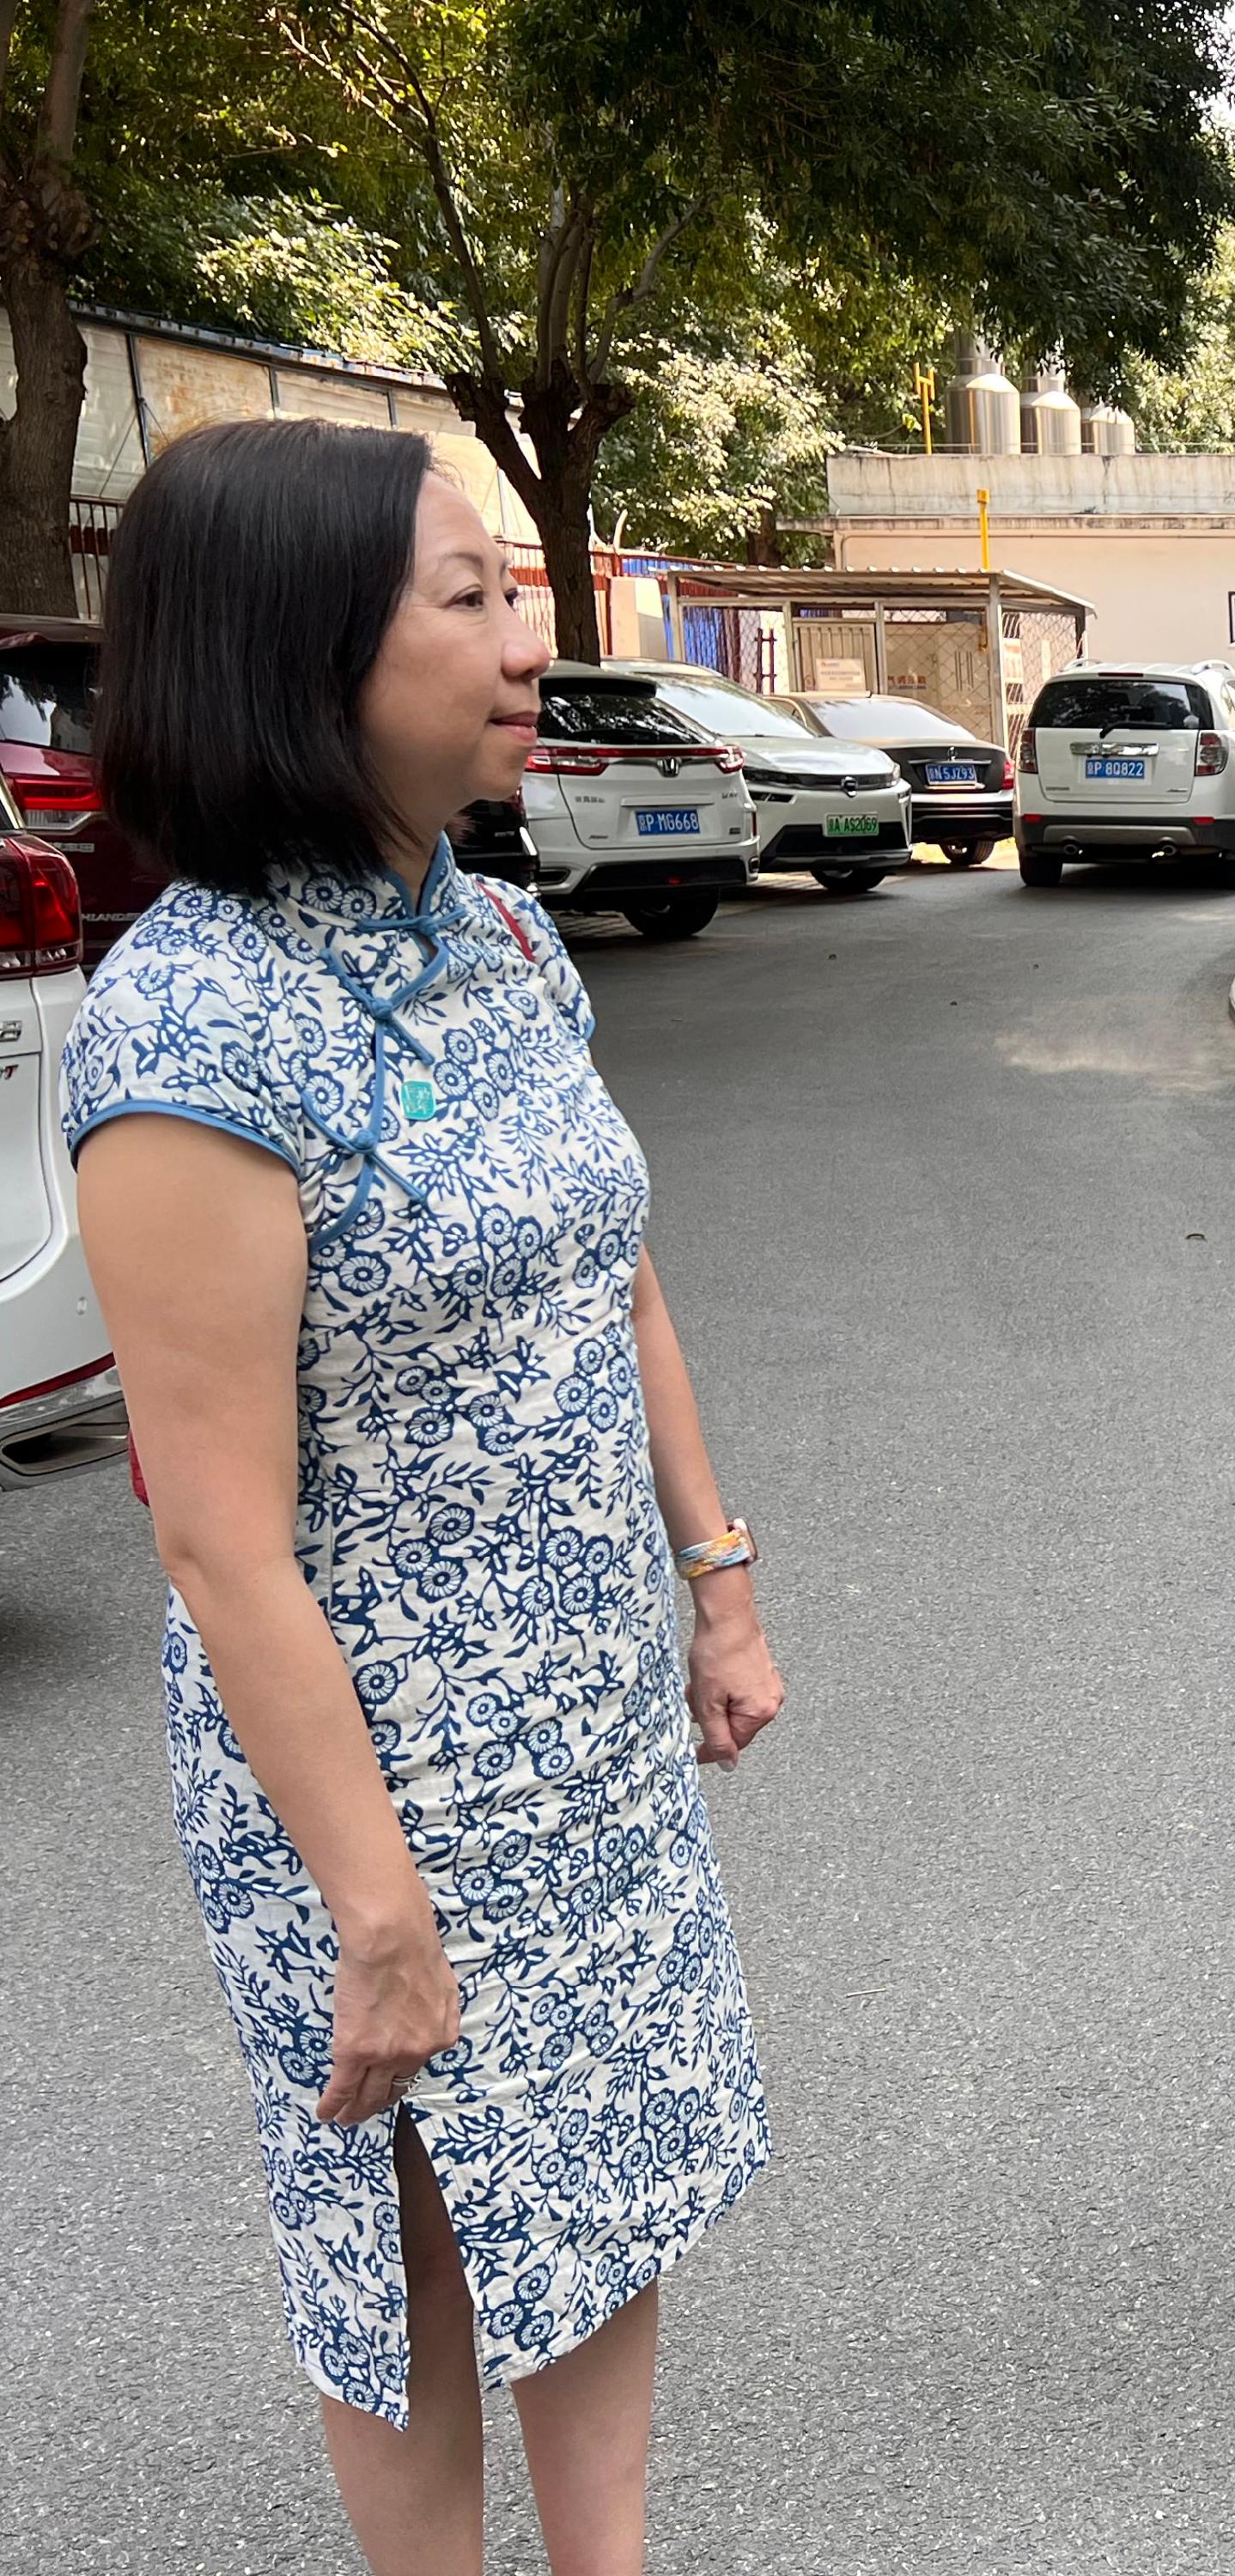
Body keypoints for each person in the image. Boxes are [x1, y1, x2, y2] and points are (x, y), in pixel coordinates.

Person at [63, 416, 782, 2574]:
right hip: (368, 1773)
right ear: (299, 654)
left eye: (509, 591)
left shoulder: (497, 940)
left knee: (606, 2171)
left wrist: (714, 1577)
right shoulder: (190, 1025)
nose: (523, 642)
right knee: (420, 2239)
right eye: (463, 599)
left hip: (579, 1727)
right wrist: (377, 1911)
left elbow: (613, 1265)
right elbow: (214, 1533)